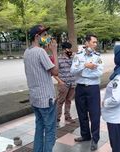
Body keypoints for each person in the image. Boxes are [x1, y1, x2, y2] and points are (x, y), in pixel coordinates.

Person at [24, 24, 58, 152]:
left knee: (39, 126)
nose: (47, 37)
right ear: (37, 36)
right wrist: (54, 50)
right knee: (50, 130)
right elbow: (55, 72)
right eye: (44, 35)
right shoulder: (40, 51)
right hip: (46, 98)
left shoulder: (27, 52)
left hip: (35, 97)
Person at [70, 34, 103, 151]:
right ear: (87, 43)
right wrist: (85, 66)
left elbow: (99, 73)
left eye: (96, 42)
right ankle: (85, 135)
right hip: (80, 88)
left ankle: (95, 138)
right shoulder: (78, 56)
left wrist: (83, 73)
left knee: (95, 115)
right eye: (94, 42)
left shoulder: (97, 56)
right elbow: (73, 70)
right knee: (81, 113)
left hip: (93, 89)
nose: (96, 44)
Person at [55, 42, 76, 125]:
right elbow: (54, 73)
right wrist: (60, 82)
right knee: (60, 101)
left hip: (72, 83)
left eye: (70, 49)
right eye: (68, 49)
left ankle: (67, 116)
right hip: (63, 84)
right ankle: (56, 119)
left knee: (69, 101)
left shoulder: (73, 58)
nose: (70, 50)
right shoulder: (59, 59)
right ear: (64, 49)